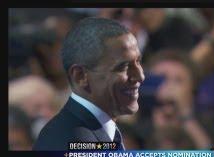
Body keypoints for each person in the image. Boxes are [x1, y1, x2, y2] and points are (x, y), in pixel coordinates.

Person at [33, 17, 145, 150]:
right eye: (123, 67)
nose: (140, 76)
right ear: (80, 76)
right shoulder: (75, 142)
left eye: (138, 62)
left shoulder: (91, 132)